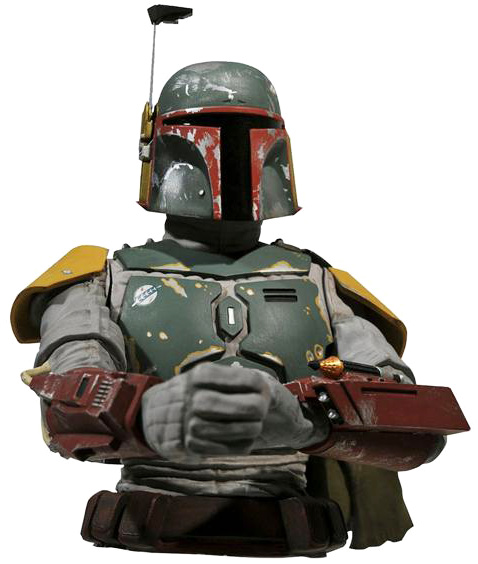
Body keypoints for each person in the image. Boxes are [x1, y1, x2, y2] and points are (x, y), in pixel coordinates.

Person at [11, 61, 443, 557]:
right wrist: (147, 413)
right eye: (215, 130)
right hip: (149, 534)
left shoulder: (321, 283)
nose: (230, 153)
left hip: (288, 531)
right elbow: (67, 405)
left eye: (245, 133)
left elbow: (417, 428)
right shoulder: (99, 282)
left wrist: (307, 421)